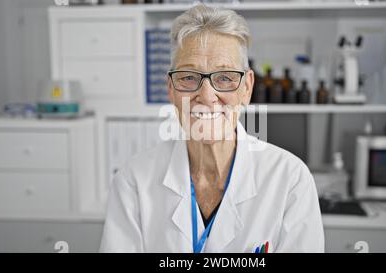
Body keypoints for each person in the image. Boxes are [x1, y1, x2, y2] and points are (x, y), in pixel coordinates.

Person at [100, 4, 324, 253]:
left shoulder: (289, 179)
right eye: (188, 77)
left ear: (247, 88)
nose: (207, 96)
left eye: (225, 77)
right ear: (171, 89)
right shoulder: (134, 181)